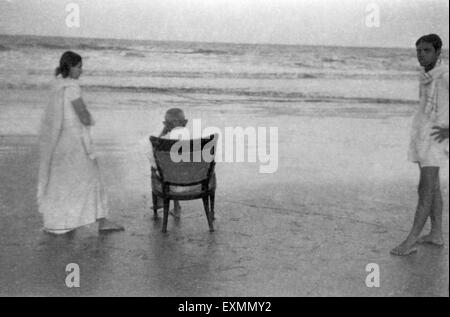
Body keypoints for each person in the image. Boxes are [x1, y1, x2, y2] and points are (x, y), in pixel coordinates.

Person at [37, 51, 124, 235]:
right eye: (79, 67)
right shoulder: (72, 87)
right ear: (70, 67)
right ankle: (102, 221)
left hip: (61, 142)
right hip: (76, 142)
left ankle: (61, 221)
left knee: (63, 181)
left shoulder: (57, 85)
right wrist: (91, 119)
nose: (81, 71)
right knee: (91, 178)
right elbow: (83, 117)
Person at [391, 34, 449, 256]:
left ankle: (410, 241)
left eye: (426, 51)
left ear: (438, 53)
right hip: (423, 135)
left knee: (424, 188)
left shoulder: (444, 76)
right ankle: (436, 234)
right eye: (419, 51)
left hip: (436, 139)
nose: (421, 55)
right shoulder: (426, 75)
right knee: (432, 187)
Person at [147, 108, 191, 218]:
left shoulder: (163, 140)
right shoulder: (196, 137)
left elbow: (153, 159)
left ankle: (159, 202)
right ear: (185, 123)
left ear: (165, 124)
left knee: (157, 168)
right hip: (197, 183)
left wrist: (162, 133)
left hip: (171, 185)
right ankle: (176, 208)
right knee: (177, 167)